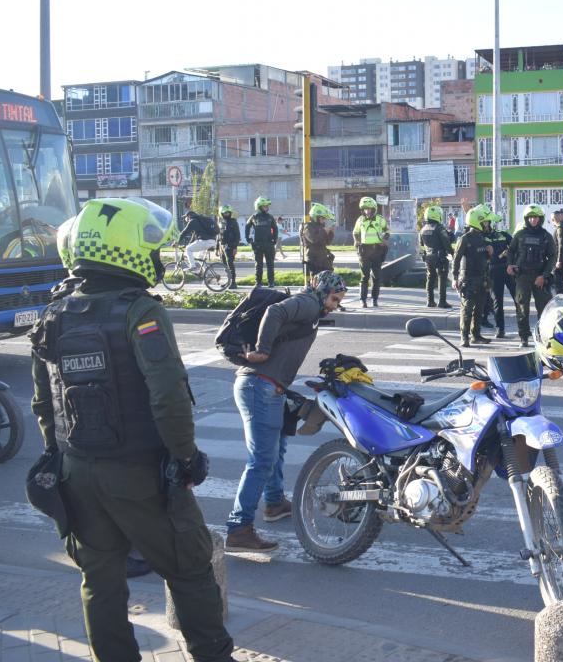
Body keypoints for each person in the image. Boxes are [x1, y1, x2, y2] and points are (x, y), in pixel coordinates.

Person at [29, 197, 234, 662]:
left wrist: (59, 457)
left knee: (100, 582)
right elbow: (168, 395)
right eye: (153, 249)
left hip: (77, 471)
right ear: (124, 248)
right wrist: (186, 458)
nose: (158, 257)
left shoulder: (55, 312)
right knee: (190, 570)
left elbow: (44, 402)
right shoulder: (139, 311)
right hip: (140, 474)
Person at [226, 271, 347, 551]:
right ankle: (238, 529)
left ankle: (275, 503)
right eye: (334, 298)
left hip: (267, 387)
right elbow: (274, 311)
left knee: (276, 447)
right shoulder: (308, 303)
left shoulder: (311, 307)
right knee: (261, 461)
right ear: (322, 292)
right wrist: (263, 350)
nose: (335, 305)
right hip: (260, 386)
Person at [508, 204, 557, 348]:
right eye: (530, 217)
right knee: (522, 308)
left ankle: (543, 336)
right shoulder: (520, 234)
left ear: (540, 219)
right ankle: (524, 337)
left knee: (543, 310)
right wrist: (509, 265)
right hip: (522, 277)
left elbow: (552, 257)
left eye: (536, 217)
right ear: (526, 219)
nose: (533, 220)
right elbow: (510, 251)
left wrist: (544, 275)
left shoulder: (546, 236)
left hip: (540, 278)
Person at [453, 205, 492, 348]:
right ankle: (464, 337)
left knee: (480, 309)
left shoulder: (483, 238)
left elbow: (486, 260)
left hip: (482, 278)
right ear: (478, 222)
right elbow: (456, 259)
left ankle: (476, 335)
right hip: (468, 279)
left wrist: (490, 253)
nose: (487, 225)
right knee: (467, 309)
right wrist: (455, 278)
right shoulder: (465, 238)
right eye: (485, 222)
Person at [483, 210, 515, 339]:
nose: (484, 224)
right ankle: (500, 329)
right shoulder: (480, 237)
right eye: (482, 222)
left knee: (518, 299)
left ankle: (524, 328)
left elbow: (514, 247)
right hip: (493, 271)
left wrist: (509, 257)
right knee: (498, 302)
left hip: (508, 270)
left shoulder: (502, 235)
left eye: (486, 222)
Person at [353, 196, 390, 308]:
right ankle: (363, 300)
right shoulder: (360, 220)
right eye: (365, 209)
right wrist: (356, 240)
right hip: (364, 251)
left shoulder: (380, 219)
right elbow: (355, 232)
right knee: (365, 277)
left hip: (377, 251)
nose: (367, 211)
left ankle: (374, 299)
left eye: (369, 209)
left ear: (374, 209)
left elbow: (387, 230)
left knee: (376, 277)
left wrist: (385, 239)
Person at [419, 205, 453, 308]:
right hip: (440, 256)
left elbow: (421, 245)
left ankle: (430, 301)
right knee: (442, 278)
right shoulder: (439, 228)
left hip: (428, 257)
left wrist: (424, 255)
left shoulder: (423, 229)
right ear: (437, 215)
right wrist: (453, 253)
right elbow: (446, 243)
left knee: (430, 278)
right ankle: (442, 302)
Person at [245, 197, 278, 287]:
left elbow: (275, 228)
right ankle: (258, 283)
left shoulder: (270, 217)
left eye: (267, 206)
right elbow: (247, 227)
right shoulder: (254, 217)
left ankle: (271, 282)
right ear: (259, 207)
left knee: (270, 265)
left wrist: (274, 239)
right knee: (258, 265)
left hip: (269, 244)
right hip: (258, 244)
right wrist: (248, 239)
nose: (267, 208)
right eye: (265, 206)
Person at [302, 203, 336, 277]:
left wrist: (331, 233)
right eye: (322, 218)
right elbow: (314, 239)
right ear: (315, 217)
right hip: (314, 259)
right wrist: (324, 231)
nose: (324, 220)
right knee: (316, 280)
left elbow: (327, 242)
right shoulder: (307, 227)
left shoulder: (321, 227)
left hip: (323, 258)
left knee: (328, 276)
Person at [218, 205, 241, 289]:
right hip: (222, 246)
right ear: (222, 214)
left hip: (230, 246)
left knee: (230, 264)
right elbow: (219, 235)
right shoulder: (221, 222)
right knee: (225, 266)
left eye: (228, 213)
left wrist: (235, 247)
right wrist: (217, 248)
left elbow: (237, 235)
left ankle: (233, 283)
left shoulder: (233, 222)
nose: (227, 214)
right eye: (225, 213)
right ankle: (228, 281)